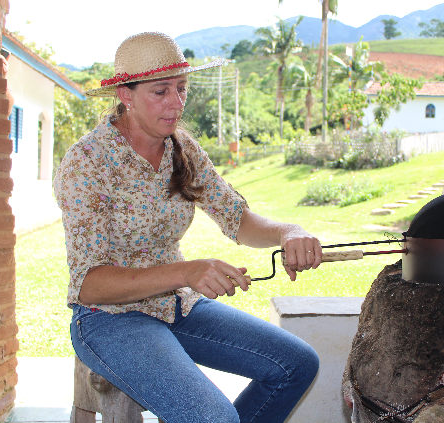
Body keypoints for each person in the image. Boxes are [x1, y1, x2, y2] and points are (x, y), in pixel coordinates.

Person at [53, 32, 321, 423]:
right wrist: (187, 271)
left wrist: (288, 231)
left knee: (296, 364)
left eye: (181, 89)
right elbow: (89, 283)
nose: (176, 103)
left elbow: (238, 218)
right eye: (160, 91)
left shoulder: (183, 149)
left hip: (176, 307)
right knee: (214, 417)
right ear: (125, 95)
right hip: (109, 318)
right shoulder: (88, 161)